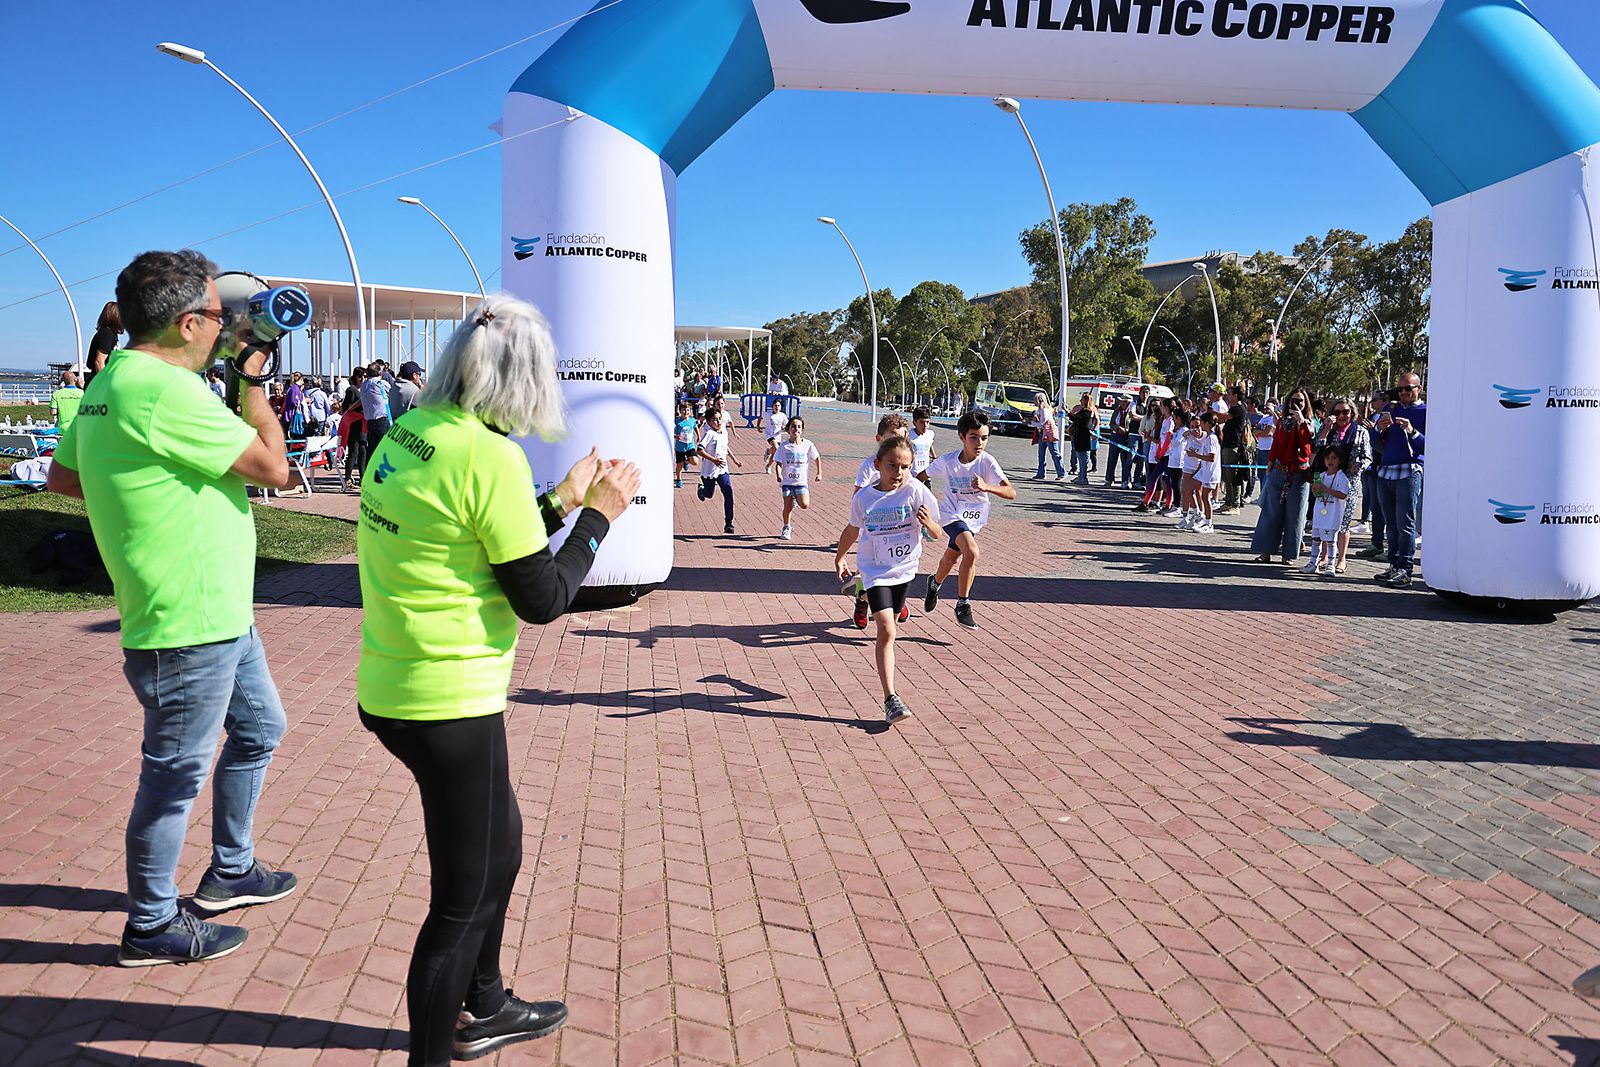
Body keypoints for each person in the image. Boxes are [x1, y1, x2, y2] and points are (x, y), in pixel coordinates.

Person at [356, 294, 640, 1065]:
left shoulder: (414, 429)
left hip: (397, 682)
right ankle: (439, 1046)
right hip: (446, 698)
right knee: (463, 900)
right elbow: (540, 596)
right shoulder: (489, 455)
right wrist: (598, 517)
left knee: (500, 846)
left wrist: (564, 499)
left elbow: (476, 535)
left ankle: (484, 1003)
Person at [46, 250, 298, 967]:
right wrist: (253, 384)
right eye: (220, 315)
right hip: (188, 620)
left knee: (261, 728)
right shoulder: (164, 390)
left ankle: (232, 870)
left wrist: (143, 492)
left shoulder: (113, 379)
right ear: (188, 323)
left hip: (215, 613)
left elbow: (66, 475)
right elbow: (275, 468)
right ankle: (152, 924)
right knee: (174, 775)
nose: (227, 326)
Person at [836, 435, 943, 724]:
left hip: (904, 570)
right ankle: (890, 699)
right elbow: (852, 529)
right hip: (874, 569)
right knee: (887, 631)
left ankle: (862, 593)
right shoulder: (864, 498)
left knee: (890, 626)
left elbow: (936, 534)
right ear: (878, 465)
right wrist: (839, 557)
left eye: (905, 467)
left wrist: (928, 524)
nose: (898, 472)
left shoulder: (916, 491)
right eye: (892, 465)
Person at [922, 410, 1015, 630]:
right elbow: (921, 477)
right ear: (962, 437)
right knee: (971, 552)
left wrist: (987, 487)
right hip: (951, 515)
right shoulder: (947, 462)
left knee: (951, 557)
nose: (979, 443)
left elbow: (1011, 492)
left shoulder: (987, 462)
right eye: (974, 437)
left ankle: (934, 583)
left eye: (984, 438)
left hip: (974, 518)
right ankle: (963, 605)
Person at [1371, 373, 1426, 588]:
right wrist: (1378, 428)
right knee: (1391, 525)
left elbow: (1430, 445)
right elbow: (1374, 440)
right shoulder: (1391, 409)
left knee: (1405, 524)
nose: (1403, 392)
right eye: (1400, 389)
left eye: (1408, 388)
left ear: (1419, 389)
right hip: (1386, 470)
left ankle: (1405, 570)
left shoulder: (1427, 411)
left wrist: (1412, 431)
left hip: (1409, 471)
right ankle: (1394, 565)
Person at [1251, 388, 1315, 564]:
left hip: (1298, 474)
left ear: (1306, 404)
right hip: (1279, 470)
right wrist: (1270, 463)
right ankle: (1265, 551)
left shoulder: (1310, 423)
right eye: (1293, 400)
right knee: (1271, 512)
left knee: (1295, 515)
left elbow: (1307, 444)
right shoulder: (1282, 421)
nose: (1296, 403)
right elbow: (1276, 443)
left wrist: (1301, 422)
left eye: (1300, 401)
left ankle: (1289, 555)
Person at [1313, 397, 1372, 572]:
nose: (1341, 415)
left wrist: (1357, 466)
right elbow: (1316, 448)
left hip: (1349, 481)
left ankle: (1341, 559)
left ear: (1352, 413)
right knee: (1326, 519)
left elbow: (1367, 457)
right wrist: (1325, 429)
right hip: (1327, 479)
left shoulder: (1361, 432)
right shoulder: (1328, 429)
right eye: (1337, 412)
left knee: (1344, 521)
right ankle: (1324, 557)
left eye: (1345, 412)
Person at [1302, 445, 1351, 576]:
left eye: (1334, 458)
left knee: (1330, 541)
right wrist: (1315, 490)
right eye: (1328, 458)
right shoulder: (1321, 475)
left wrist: (1325, 489)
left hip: (1333, 514)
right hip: (1319, 512)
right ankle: (1313, 563)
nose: (1330, 461)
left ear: (1339, 460)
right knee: (1316, 538)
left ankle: (1330, 565)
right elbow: (1317, 494)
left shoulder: (1341, 477)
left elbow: (1343, 495)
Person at [774, 415, 821, 540]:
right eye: (793, 427)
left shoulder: (808, 444)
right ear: (788, 429)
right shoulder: (784, 446)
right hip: (787, 482)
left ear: (802, 429)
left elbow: (816, 457)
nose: (796, 429)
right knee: (787, 507)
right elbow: (778, 462)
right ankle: (786, 527)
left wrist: (819, 473)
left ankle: (795, 498)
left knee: (804, 505)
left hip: (801, 481)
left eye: (799, 427)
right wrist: (778, 474)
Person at [696, 407, 741, 534]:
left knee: (728, 492)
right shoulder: (709, 434)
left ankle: (729, 523)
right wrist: (713, 459)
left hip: (722, 469)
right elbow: (699, 450)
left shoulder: (724, 432)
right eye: (714, 420)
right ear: (709, 422)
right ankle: (702, 491)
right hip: (709, 471)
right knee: (709, 494)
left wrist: (734, 460)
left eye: (719, 419)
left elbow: (725, 447)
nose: (718, 422)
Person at [1184, 412, 1220, 533]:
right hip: (1204, 470)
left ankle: (1209, 524)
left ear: (1207, 424)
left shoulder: (1211, 438)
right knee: (1187, 489)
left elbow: (1211, 457)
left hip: (1210, 472)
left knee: (1205, 497)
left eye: (1202, 423)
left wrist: (1195, 455)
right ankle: (1198, 514)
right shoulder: (1208, 437)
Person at [1218, 390, 1253, 514]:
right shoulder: (1232, 408)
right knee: (1227, 477)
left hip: (1234, 446)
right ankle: (1228, 502)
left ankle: (1236, 504)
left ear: (1236, 396)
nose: (1228, 396)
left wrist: (1211, 411)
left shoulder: (1239, 409)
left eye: (1230, 394)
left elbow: (1224, 416)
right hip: (1226, 445)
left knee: (1234, 476)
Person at [84, 300, 122, 390]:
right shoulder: (106, 334)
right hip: (98, 385)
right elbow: (99, 361)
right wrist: (106, 385)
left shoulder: (111, 335)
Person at [361, 361, 393, 451]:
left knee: (373, 451)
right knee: (385, 450)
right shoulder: (381, 383)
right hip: (382, 421)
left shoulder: (364, 385)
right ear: (380, 372)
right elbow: (393, 394)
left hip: (370, 422)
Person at [1031, 392, 1064, 480]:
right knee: (1041, 454)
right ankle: (1041, 473)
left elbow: (1042, 423)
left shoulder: (1045, 410)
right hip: (1041, 433)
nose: (1034, 402)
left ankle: (1062, 472)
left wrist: (1033, 423)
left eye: (1035, 400)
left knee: (1055, 453)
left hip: (1049, 433)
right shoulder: (1039, 410)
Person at [1104, 396, 1135, 488]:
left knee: (1125, 460)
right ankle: (1109, 479)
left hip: (1126, 438)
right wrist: (1117, 428)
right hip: (1115, 436)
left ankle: (1126, 481)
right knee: (1112, 458)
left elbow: (1133, 425)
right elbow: (1111, 423)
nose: (1121, 403)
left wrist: (1126, 431)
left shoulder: (1131, 412)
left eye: (1123, 401)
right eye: (1121, 401)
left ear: (1127, 402)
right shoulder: (1117, 410)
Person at [1068, 393, 1097, 485]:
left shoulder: (1087, 411)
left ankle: (1083, 478)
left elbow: (1075, 418)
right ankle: (1081, 476)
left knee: (1083, 459)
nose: (1080, 401)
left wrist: (1067, 410)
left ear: (1086, 401)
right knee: (1081, 458)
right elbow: (1074, 419)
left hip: (1083, 438)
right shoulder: (1083, 410)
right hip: (1079, 437)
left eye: (1082, 399)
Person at [908, 406, 938, 487]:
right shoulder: (908, 435)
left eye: (927, 422)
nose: (925, 425)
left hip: (926, 474)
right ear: (914, 422)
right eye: (921, 422)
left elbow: (930, 444)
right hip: (912, 475)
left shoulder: (930, 434)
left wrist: (934, 456)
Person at [673, 400, 697, 489]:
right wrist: (675, 436)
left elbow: (695, 427)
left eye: (687, 410)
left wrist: (698, 435)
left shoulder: (692, 420)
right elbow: (671, 431)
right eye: (683, 410)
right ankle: (678, 479)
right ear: (680, 411)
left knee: (695, 462)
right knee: (679, 465)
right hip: (680, 447)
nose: (686, 412)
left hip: (690, 445)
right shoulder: (677, 422)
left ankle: (686, 462)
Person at [760, 397, 787, 473]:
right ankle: (769, 453)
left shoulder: (783, 416)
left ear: (781, 407)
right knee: (776, 448)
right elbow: (760, 417)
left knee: (775, 452)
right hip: (769, 434)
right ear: (772, 406)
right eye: (775, 405)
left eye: (778, 405)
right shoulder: (768, 414)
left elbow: (786, 425)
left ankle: (768, 464)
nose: (777, 407)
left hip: (778, 436)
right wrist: (758, 426)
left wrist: (785, 428)